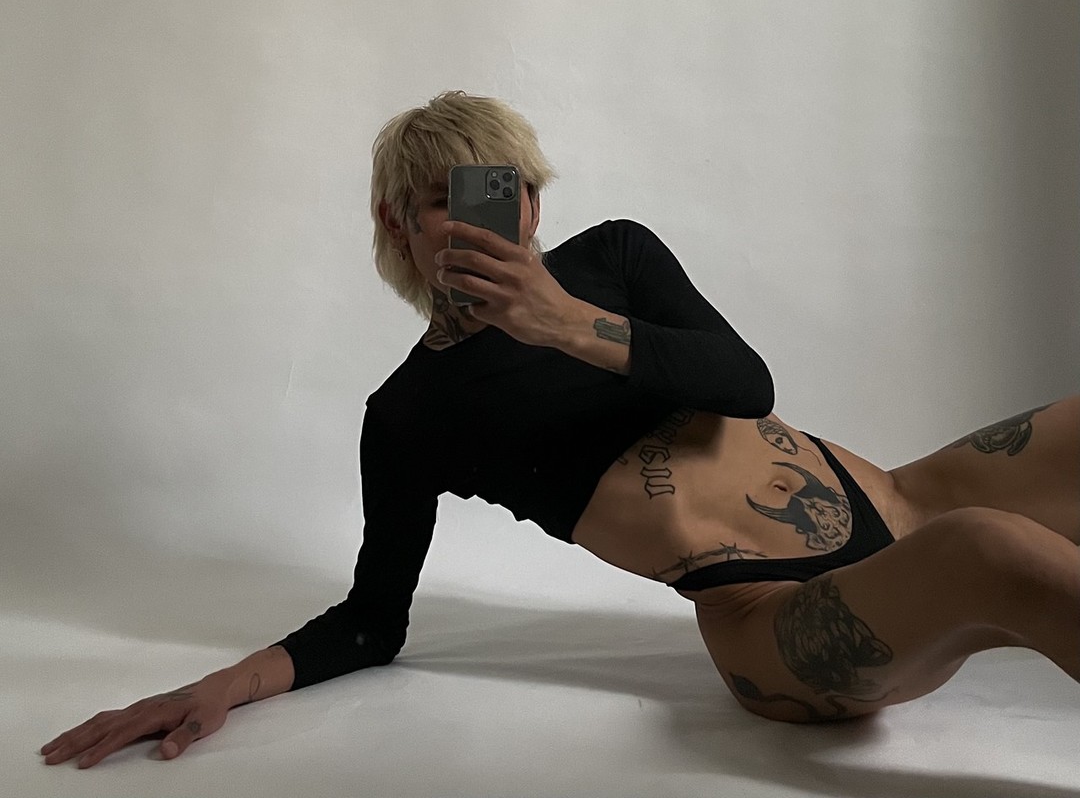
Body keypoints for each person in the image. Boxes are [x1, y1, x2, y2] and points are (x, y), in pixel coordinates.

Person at [42, 91, 1079, 768]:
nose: (489, 219)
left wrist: (567, 323)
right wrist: (222, 685)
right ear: (400, 224)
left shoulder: (617, 259)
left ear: (534, 204)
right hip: (779, 618)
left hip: (901, 499)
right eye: (444, 201)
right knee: (989, 550)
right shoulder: (411, 414)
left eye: (509, 192)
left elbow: (747, 385)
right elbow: (370, 622)